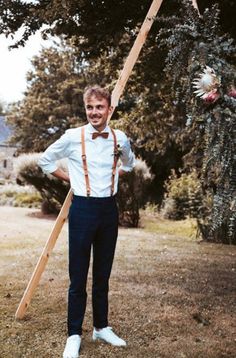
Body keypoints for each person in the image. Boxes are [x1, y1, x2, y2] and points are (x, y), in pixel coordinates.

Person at [39, 85, 135, 358]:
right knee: (78, 275)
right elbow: (46, 161)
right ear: (86, 109)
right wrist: (70, 178)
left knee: (103, 273)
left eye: (99, 107)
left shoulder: (120, 138)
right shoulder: (72, 136)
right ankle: (73, 334)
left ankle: (101, 327)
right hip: (82, 208)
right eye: (90, 107)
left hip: (108, 210)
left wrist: (118, 171)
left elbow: (129, 163)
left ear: (108, 109)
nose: (94, 112)